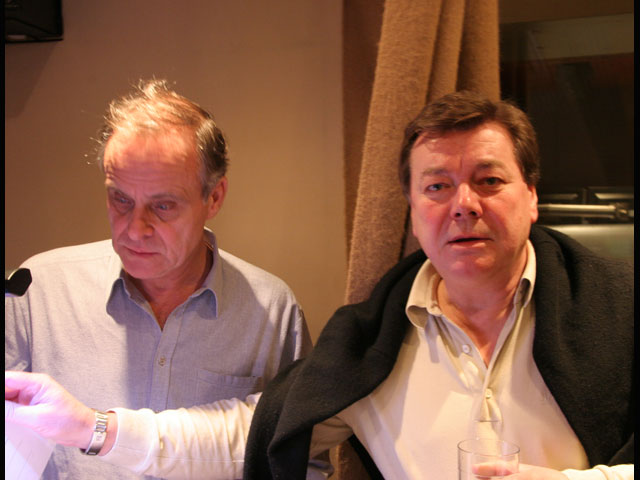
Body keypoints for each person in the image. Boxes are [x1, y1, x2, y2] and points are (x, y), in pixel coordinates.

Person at [6, 91, 633, 479]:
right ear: (413, 210)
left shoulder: (622, 310)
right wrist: (91, 427)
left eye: (489, 181)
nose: (463, 204)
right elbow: (249, 436)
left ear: (532, 195)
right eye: (437, 186)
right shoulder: (370, 343)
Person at [5, 79, 313, 480]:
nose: (135, 230)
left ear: (214, 197)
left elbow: (303, 462)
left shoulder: (271, 311)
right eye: (120, 199)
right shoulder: (39, 291)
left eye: (163, 206)